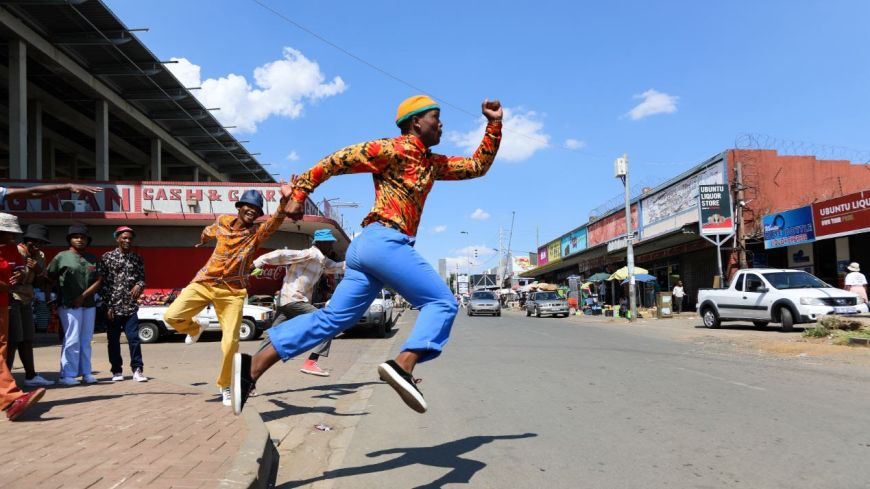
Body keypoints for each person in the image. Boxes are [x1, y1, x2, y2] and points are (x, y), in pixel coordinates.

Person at [231, 95, 503, 415]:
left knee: (333, 320)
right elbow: (339, 159)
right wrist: (302, 190)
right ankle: (404, 363)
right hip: (384, 242)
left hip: (367, 250)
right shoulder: (391, 149)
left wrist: (494, 124)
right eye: (435, 117)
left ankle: (250, 369)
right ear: (416, 122)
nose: (441, 123)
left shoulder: (432, 163)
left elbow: (475, 166)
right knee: (442, 302)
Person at [163, 186, 292, 406]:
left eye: (256, 209)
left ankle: (225, 385)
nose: (252, 210)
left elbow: (275, 222)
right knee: (171, 316)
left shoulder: (256, 233)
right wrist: (203, 239)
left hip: (232, 291)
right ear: (240, 207)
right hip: (205, 281)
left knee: (230, 342)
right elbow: (208, 230)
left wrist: (284, 202)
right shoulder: (223, 221)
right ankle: (195, 328)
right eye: (248, 206)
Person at [251, 228, 345, 377]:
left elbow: (336, 267)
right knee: (328, 322)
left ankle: (248, 374)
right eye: (329, 243)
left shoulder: (322, 260)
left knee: (271, 338)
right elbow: (281, 254)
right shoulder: (310, 254)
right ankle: (311, 362)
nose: (332, 246)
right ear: (320, 243)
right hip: (294, 299)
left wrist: (359, 264)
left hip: (285, 302)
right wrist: (258, 263)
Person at [0, 213, 45, 420]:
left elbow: (18, 271)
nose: (11, 237)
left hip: (3, 303)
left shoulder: (11, 249)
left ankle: (9, 400)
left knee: (3, 348)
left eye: (12, 233)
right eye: (7, 233)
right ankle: (11, 398)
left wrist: (19, 274)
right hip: (10, 301)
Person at [46, 225, 102, 385]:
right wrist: (48, 297)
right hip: (68, 304)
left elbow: (98, 280)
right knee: (72, 338)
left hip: (89, 304)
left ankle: (86, 373)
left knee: (86, 339)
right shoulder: (61, 257)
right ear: (70, 239)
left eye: (83, 237)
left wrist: (83, 296)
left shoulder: (92, 258)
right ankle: (67, 375)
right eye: (76, 237)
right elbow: (49, 278)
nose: (80, 239)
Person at [6, 224, 53, 386]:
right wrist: (19, 274)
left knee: (27, 339)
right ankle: (6, 380)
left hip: (27, 298)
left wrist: (39, 270)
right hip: (12, 297)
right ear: (26, 240)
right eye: (34, 242)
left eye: (41, 243)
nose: (37, 245)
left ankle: (31, 376)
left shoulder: (40, 255)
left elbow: (41, 282)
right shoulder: (16, 250)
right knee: (13, 340)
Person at [99, 226, 147, 382]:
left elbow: (141, 277)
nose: (127, 240)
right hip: (113, 307)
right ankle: (116, 371)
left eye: (130, 238)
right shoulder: (107, 257)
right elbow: (103, 283)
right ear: (117, 238)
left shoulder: (137, 258)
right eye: (124, 238)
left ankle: (137, 369)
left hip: (130, 306)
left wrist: (139, 284)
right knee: (113, 340)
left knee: (134, 339)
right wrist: (107, 306)